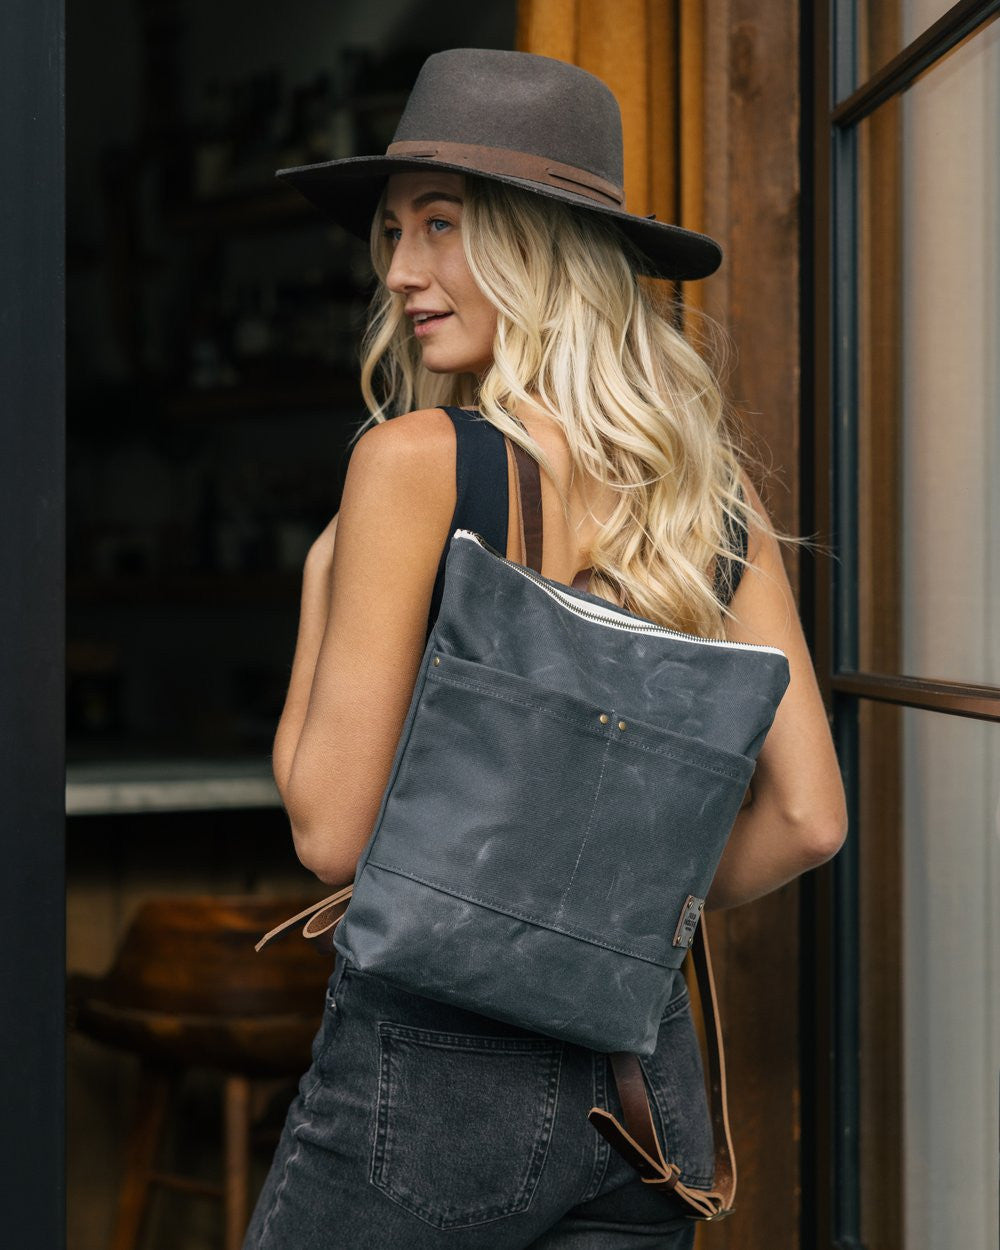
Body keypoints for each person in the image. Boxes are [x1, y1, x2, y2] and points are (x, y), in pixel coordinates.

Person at [243, 48, 847, 1250]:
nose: (402, 271)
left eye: (444, 226)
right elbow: (811, 817)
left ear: (541, 250)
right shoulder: (708, 504)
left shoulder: (415, 461)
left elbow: (328, 833)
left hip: (433, 1084)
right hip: (645, 1082)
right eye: (393, 232)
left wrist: (326, 574)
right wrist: (614, 910)